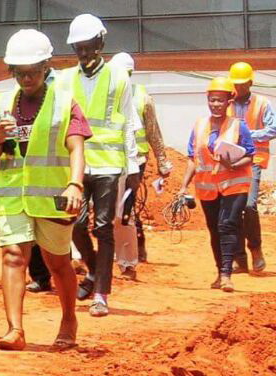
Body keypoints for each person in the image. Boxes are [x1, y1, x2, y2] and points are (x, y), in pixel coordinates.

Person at [0, 29, 88, 352]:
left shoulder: (63, 103)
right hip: (13, 194)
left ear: (46, 67)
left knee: (57, 262)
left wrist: (75, 183)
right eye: (19, 73)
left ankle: (69, 318)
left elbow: (76, 147)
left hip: (53, 196)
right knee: (13, 256)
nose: (26, 79)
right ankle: (15, 329)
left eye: (33, 72)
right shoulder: (2, 103)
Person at [56, 14, 137, 319]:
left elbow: (129, 122)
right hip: (75, 165)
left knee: (103, 228)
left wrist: (132, 168)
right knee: (73, 224)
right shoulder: (64, 80)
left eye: (89, 46)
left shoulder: (118, 77)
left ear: (100, 43)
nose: (84, 53)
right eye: (79, 48)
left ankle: (101, 292)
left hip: (108, 165)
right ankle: (93, 273)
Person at [182, 77, 256, 292]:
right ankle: (219, 271)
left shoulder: (238, 126)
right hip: (208, 188)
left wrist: (232, 164)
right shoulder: (199, 125)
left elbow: (250, 156)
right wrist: (182, 186)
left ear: (229, 102)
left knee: (227, 225)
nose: (216, 104)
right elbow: (191, 158)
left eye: (220, 101)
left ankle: (226, 275)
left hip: (235, 185)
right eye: (213, 100)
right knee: (215, 230)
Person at [109, 52, 172, 280]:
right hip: (106, 162)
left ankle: (127, 262)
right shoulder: (104, 95)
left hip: (136, 162)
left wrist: (163, 161)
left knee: (125, 211)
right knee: (102, 213)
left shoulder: (141, 97)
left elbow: (153, 131)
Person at [228, 62, 272, 274]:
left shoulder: (262, 103)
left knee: (249, 205)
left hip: (253, 159)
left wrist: (247, 136)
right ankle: (239, 258)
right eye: (235, 83)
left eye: (242, 84)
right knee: (232, 209)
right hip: (230, 161)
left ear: (250, 83)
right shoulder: (226, 103)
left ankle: (255, 249)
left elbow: (273, 128)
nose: (238, 87)